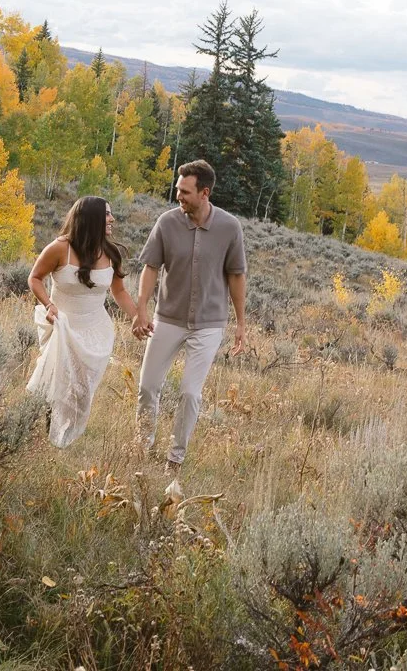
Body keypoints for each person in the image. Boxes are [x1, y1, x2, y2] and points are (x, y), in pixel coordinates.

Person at [132, 160, 248, 475]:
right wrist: (141, 308)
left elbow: (236, 276)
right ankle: (143, 446)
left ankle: (175, 459)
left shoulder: (229, 227)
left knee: (189, 392)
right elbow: (151, 267)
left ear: (204, 193)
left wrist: (240, 324)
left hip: (209, 324)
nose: (178, 195)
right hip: (167, 317)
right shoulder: (167, 223)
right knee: (148, 385)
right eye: (178, 189)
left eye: (184, 191)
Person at [26, 195, 141, 448]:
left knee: (81, 388)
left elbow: (119, 291)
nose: (112, 219)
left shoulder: (111, 254)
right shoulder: (59, 248)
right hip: (62, 325)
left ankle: (66, 434)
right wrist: (49, 304)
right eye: (107, 214)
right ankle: (47, 434)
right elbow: (34, 278)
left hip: (94, 330)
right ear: (91, 219)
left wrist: (136, 316)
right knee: (56, 380)